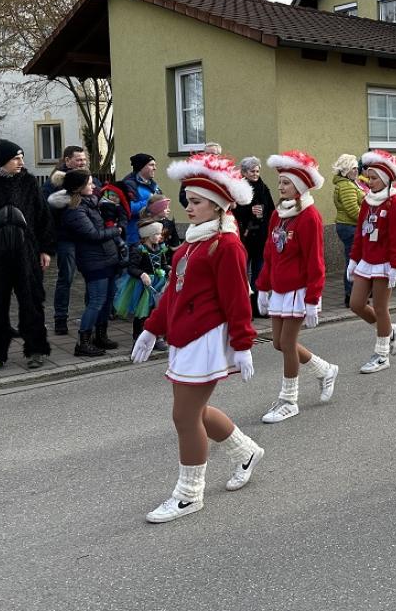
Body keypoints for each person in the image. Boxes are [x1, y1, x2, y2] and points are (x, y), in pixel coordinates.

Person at [131, 152, 264, 524]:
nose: (187, 208)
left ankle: (190, 494)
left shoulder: (227, 245)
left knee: (185, 416)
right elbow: (174, 292)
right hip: (185, 337)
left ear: (218, 205)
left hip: (206, 338)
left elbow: (238, 298)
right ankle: (246, 451)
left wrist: (242, 344)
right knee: (195, 412)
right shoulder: (192, 242)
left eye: (196, 202)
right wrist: (151, 329)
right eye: (187, 200)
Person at [256, 151, 339, 423]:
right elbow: (270, 252)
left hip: (299, 291)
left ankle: (289, 400)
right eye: (279, 182)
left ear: (301, 186)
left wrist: (314, 298)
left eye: (286, 183)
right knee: (278, 343)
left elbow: (315, 261)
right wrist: (264, 287)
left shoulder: (309, 216)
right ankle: (325, 369)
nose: (280, 187)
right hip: (279, 288)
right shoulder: (278, 214)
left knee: (288, 343)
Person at [0, 140, 55, 372]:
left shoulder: (28, 182)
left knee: (32, 303)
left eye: (22, 157)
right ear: (3, 160)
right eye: (16, 158)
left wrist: (45, 249)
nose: (21, 162)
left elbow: (43, 216)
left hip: (26, 254)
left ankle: (35, 349)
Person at [47, 169, 122, 357]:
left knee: (107, 299)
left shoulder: (91, 203)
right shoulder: (75, 210)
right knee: (96, 301)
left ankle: (100, 335)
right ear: (79, 188)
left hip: (107, 258)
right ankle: (83, 341)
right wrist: (115, 231)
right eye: (90, 184)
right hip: (93, 261)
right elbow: (93, 235)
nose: (94, 186)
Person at [348, 150, 396, 374]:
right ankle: (389, 331)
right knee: (356, 304)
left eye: (373, 178)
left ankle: (382, 355)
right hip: (365, 261)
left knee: (381, 308)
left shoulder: (394, 203)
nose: (369, 182)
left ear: (386, 178)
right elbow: (360, 234)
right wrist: (353, 259)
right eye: (368, 178)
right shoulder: (367, 202)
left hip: (384, 263)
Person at [41, 145, 95, 336]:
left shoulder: (89, 178)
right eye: (78, 159)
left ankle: (92, 314)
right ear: (67, 160)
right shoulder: (54, 183)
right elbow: (45, 210)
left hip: (87, 237)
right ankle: (60, 319)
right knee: (66, 277)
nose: (82, 162)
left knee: (91, 276)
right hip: (66, 239)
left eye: (84, 159)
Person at [114, 217, 170, 351]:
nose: (159, 236)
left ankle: (156, 338)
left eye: (160, 234)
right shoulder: (139, 249)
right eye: (156, 234)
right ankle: (138, 338)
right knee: (142, 313)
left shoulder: (160, 248)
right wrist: (142, 274)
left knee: (155, 311)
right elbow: (131, 268)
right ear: (147, 235)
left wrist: (169, 269)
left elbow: (163, 264)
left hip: (158, 283)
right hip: (143, 285)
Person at [232, 157, 275, 317]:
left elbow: (271, 209)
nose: (256, 174)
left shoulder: (263, 188)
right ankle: (244, 309)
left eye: (257, 171)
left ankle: (258, 307)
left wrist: (264, 213)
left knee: (259, 272)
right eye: (252, 171)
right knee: (242, 273)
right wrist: (250, 211)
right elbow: (234, 211)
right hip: (244, 237)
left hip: (261, 237)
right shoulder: (238, 188)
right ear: (244, 172)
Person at [331, 153, 365, 308]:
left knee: (354, 260)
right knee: (353, 261)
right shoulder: (346, 185)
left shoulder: (351, 183)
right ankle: (351, 295)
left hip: (350, 226)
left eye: (357, 168)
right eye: (353, 168)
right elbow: (353, 210)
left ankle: (354, 293)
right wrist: (369, 220)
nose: (356, 171)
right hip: (349, 226)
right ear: (345, 170)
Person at [122, 153, 162, 244]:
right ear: (141, 167)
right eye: (151, 165)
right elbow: (129, 208)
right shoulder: (129, 184)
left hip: (151, 236)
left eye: (155, 165)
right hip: (135, 237)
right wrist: (150, 202)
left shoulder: (153, 185)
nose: (155, 168)